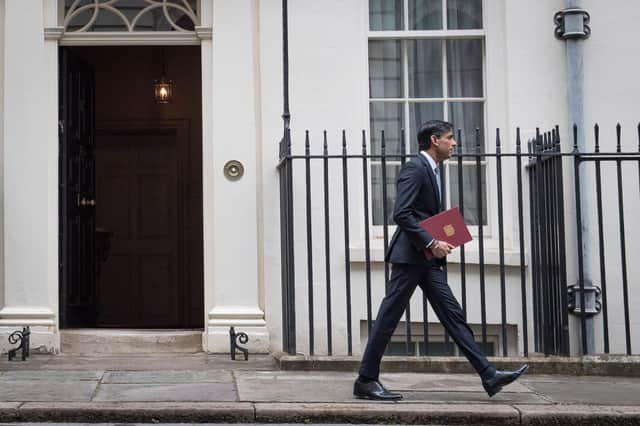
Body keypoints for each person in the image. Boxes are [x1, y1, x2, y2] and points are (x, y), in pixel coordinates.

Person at [354, 120, 528, 400]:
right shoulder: (416, 167)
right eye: (450, 138)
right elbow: (402, 213)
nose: (454, 143)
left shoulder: (433, 170)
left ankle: (488, 375)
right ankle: (365, 380)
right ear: (435, 140)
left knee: (452, 315)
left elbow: (423, 215)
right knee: (388, 318)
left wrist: (441, 238)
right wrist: (432, 242)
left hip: (426, 260)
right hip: (411, 258)